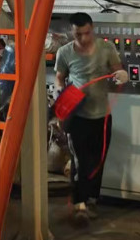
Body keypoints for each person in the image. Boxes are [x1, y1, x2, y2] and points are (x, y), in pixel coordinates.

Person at [54, 12, 128, 219]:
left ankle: (92, 200)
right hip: (77, 116)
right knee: (80, 161)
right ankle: (80, 204)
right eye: (78, 34)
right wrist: (59, 91)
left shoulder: (107, 48)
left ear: (92, 29)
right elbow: (60, 77)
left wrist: (121, 76)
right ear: (72, 32)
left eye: (87, 33)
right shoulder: (64, 52)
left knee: (97, 160)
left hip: (102, 116)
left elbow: (116, 70)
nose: (83, 38)